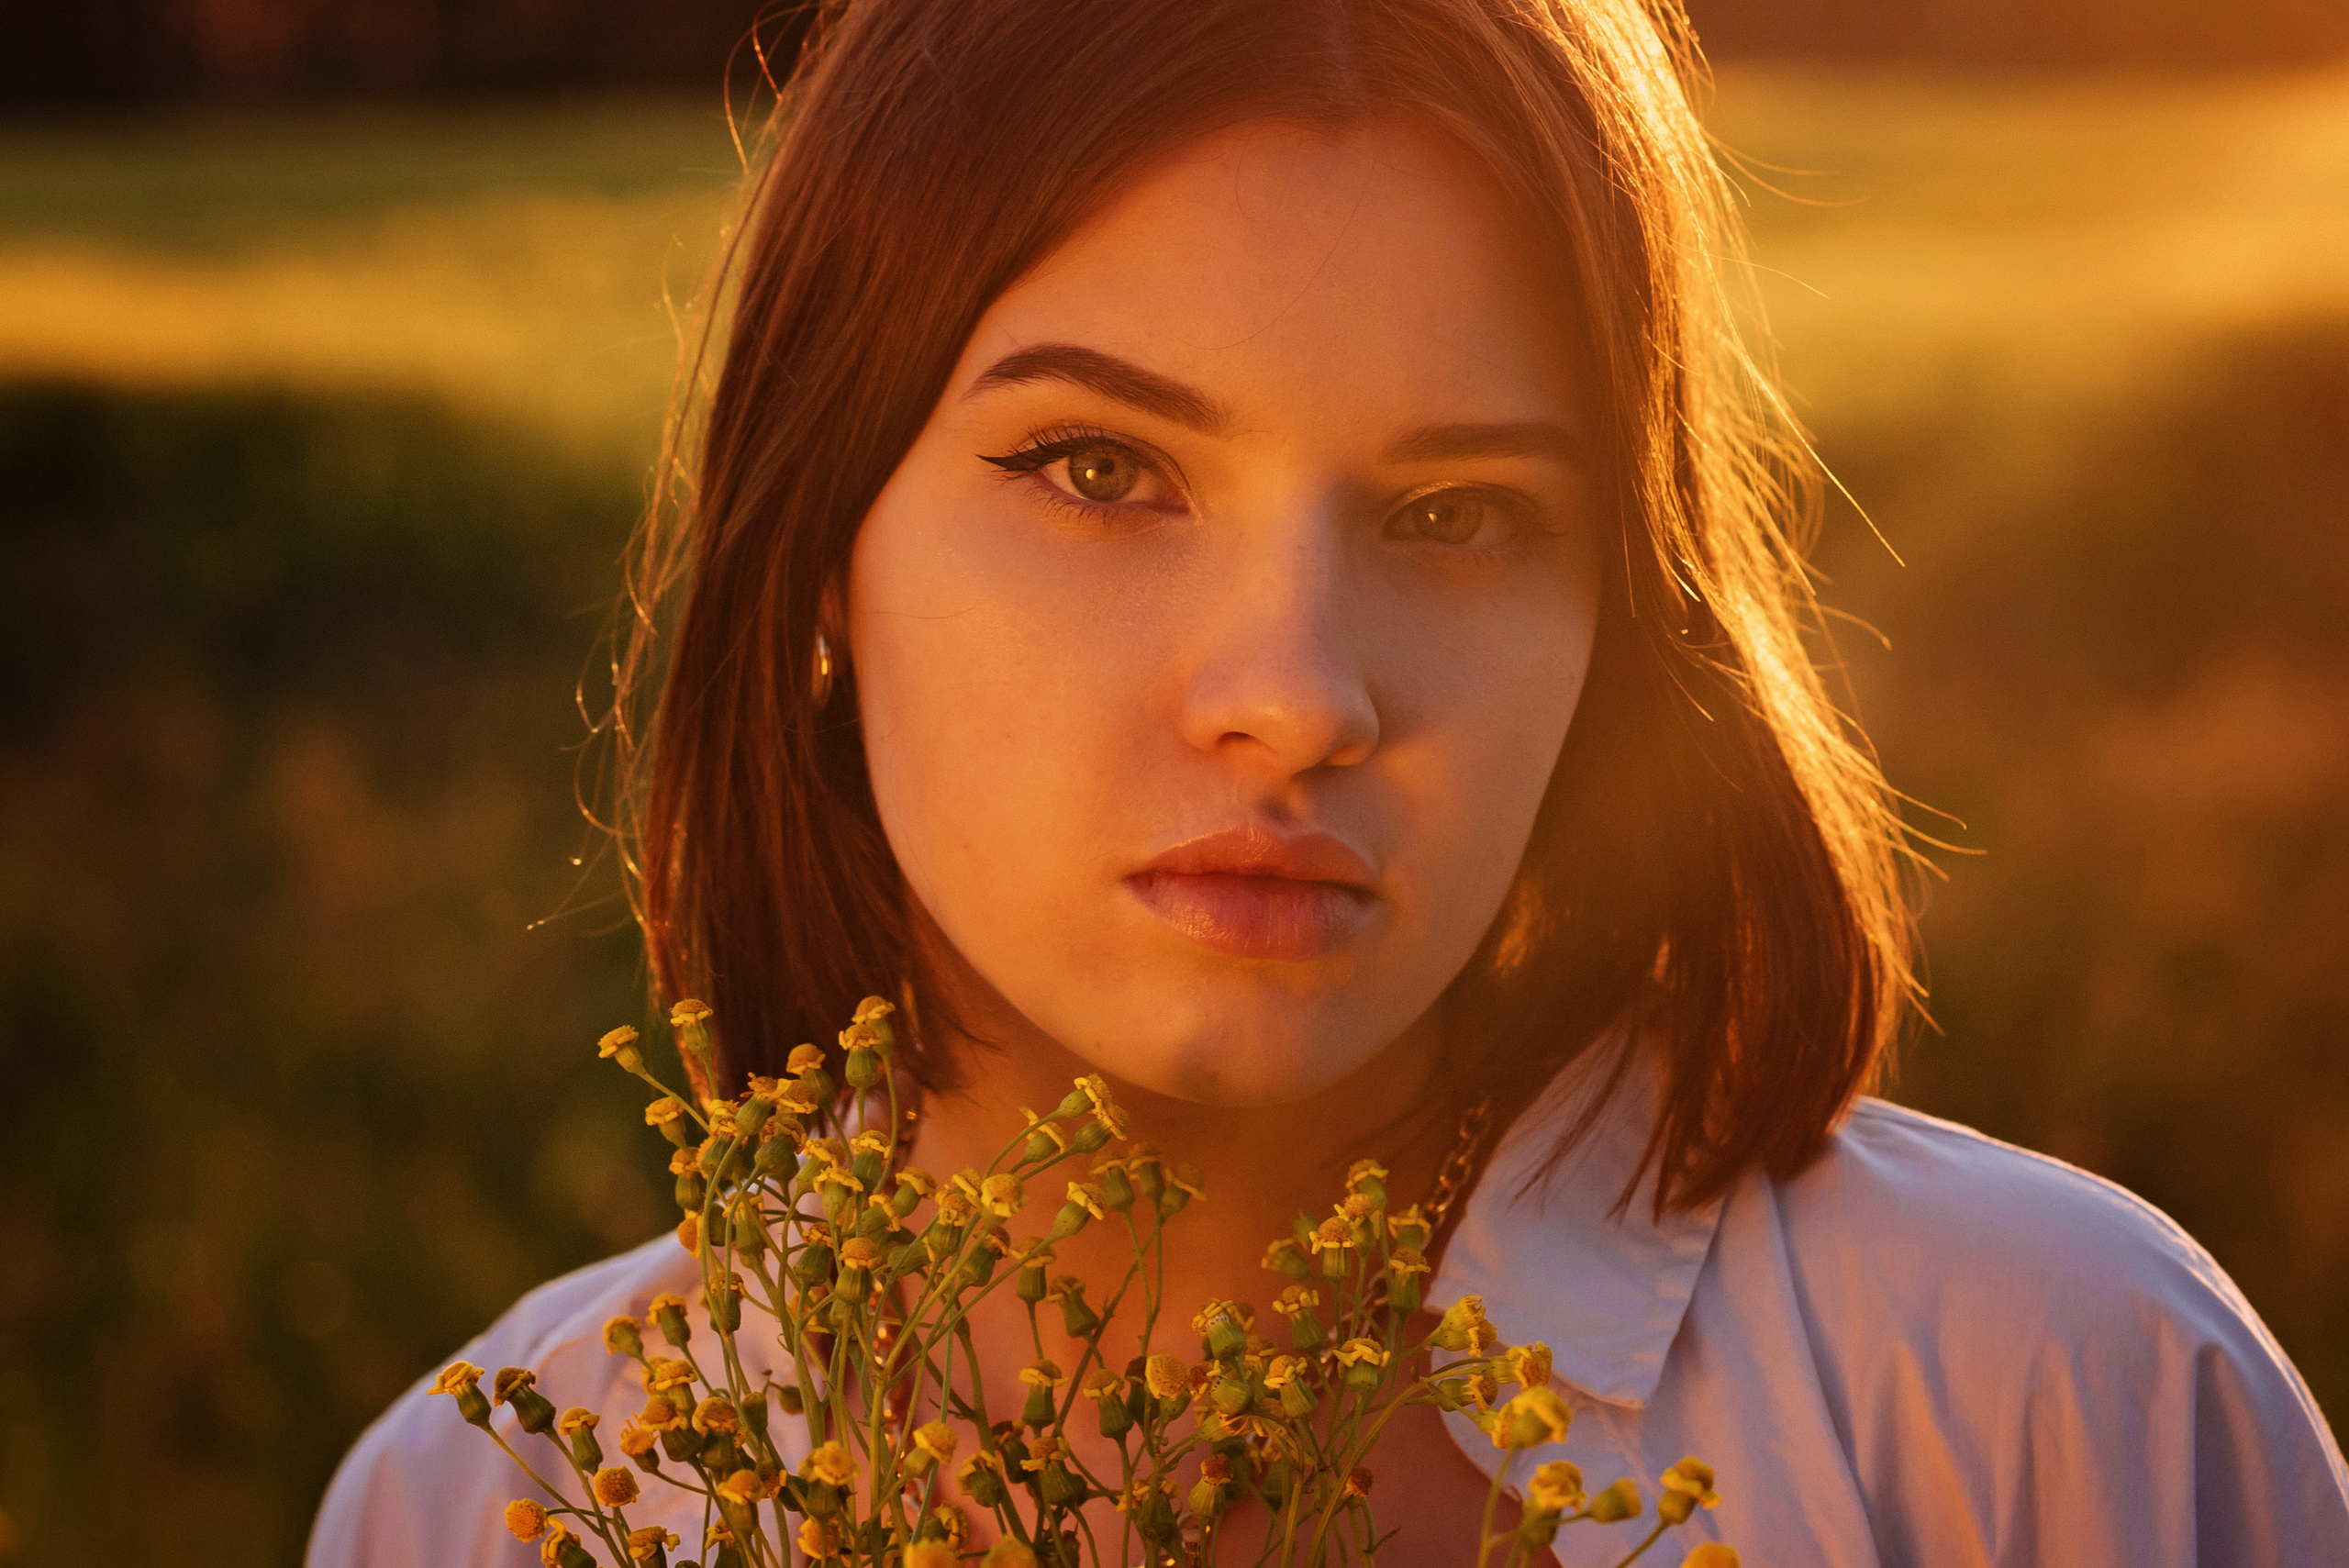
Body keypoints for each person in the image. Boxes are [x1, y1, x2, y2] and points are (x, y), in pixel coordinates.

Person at [308, 0, 2349, 1563]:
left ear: (1614, 627)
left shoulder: (2045, 1407)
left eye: (1458, 513)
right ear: (822, 552)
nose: (1293, 697)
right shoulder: (499, 1498)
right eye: (1098, 472)